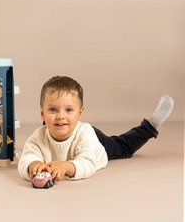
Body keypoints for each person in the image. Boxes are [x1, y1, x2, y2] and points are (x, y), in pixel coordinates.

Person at [17, 76, 174, 182]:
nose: (60, 116)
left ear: (80, 113)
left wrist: (67, 166)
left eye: (69, 110)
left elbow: (88, 163)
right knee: (36, 150)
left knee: (123, 147)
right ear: (42, 114)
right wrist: (33, 164)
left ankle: (150, 126)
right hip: (66, 137)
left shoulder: (86, 134)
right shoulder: (38, 136)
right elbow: (26, 157)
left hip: (93, 141)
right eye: (53, 110)